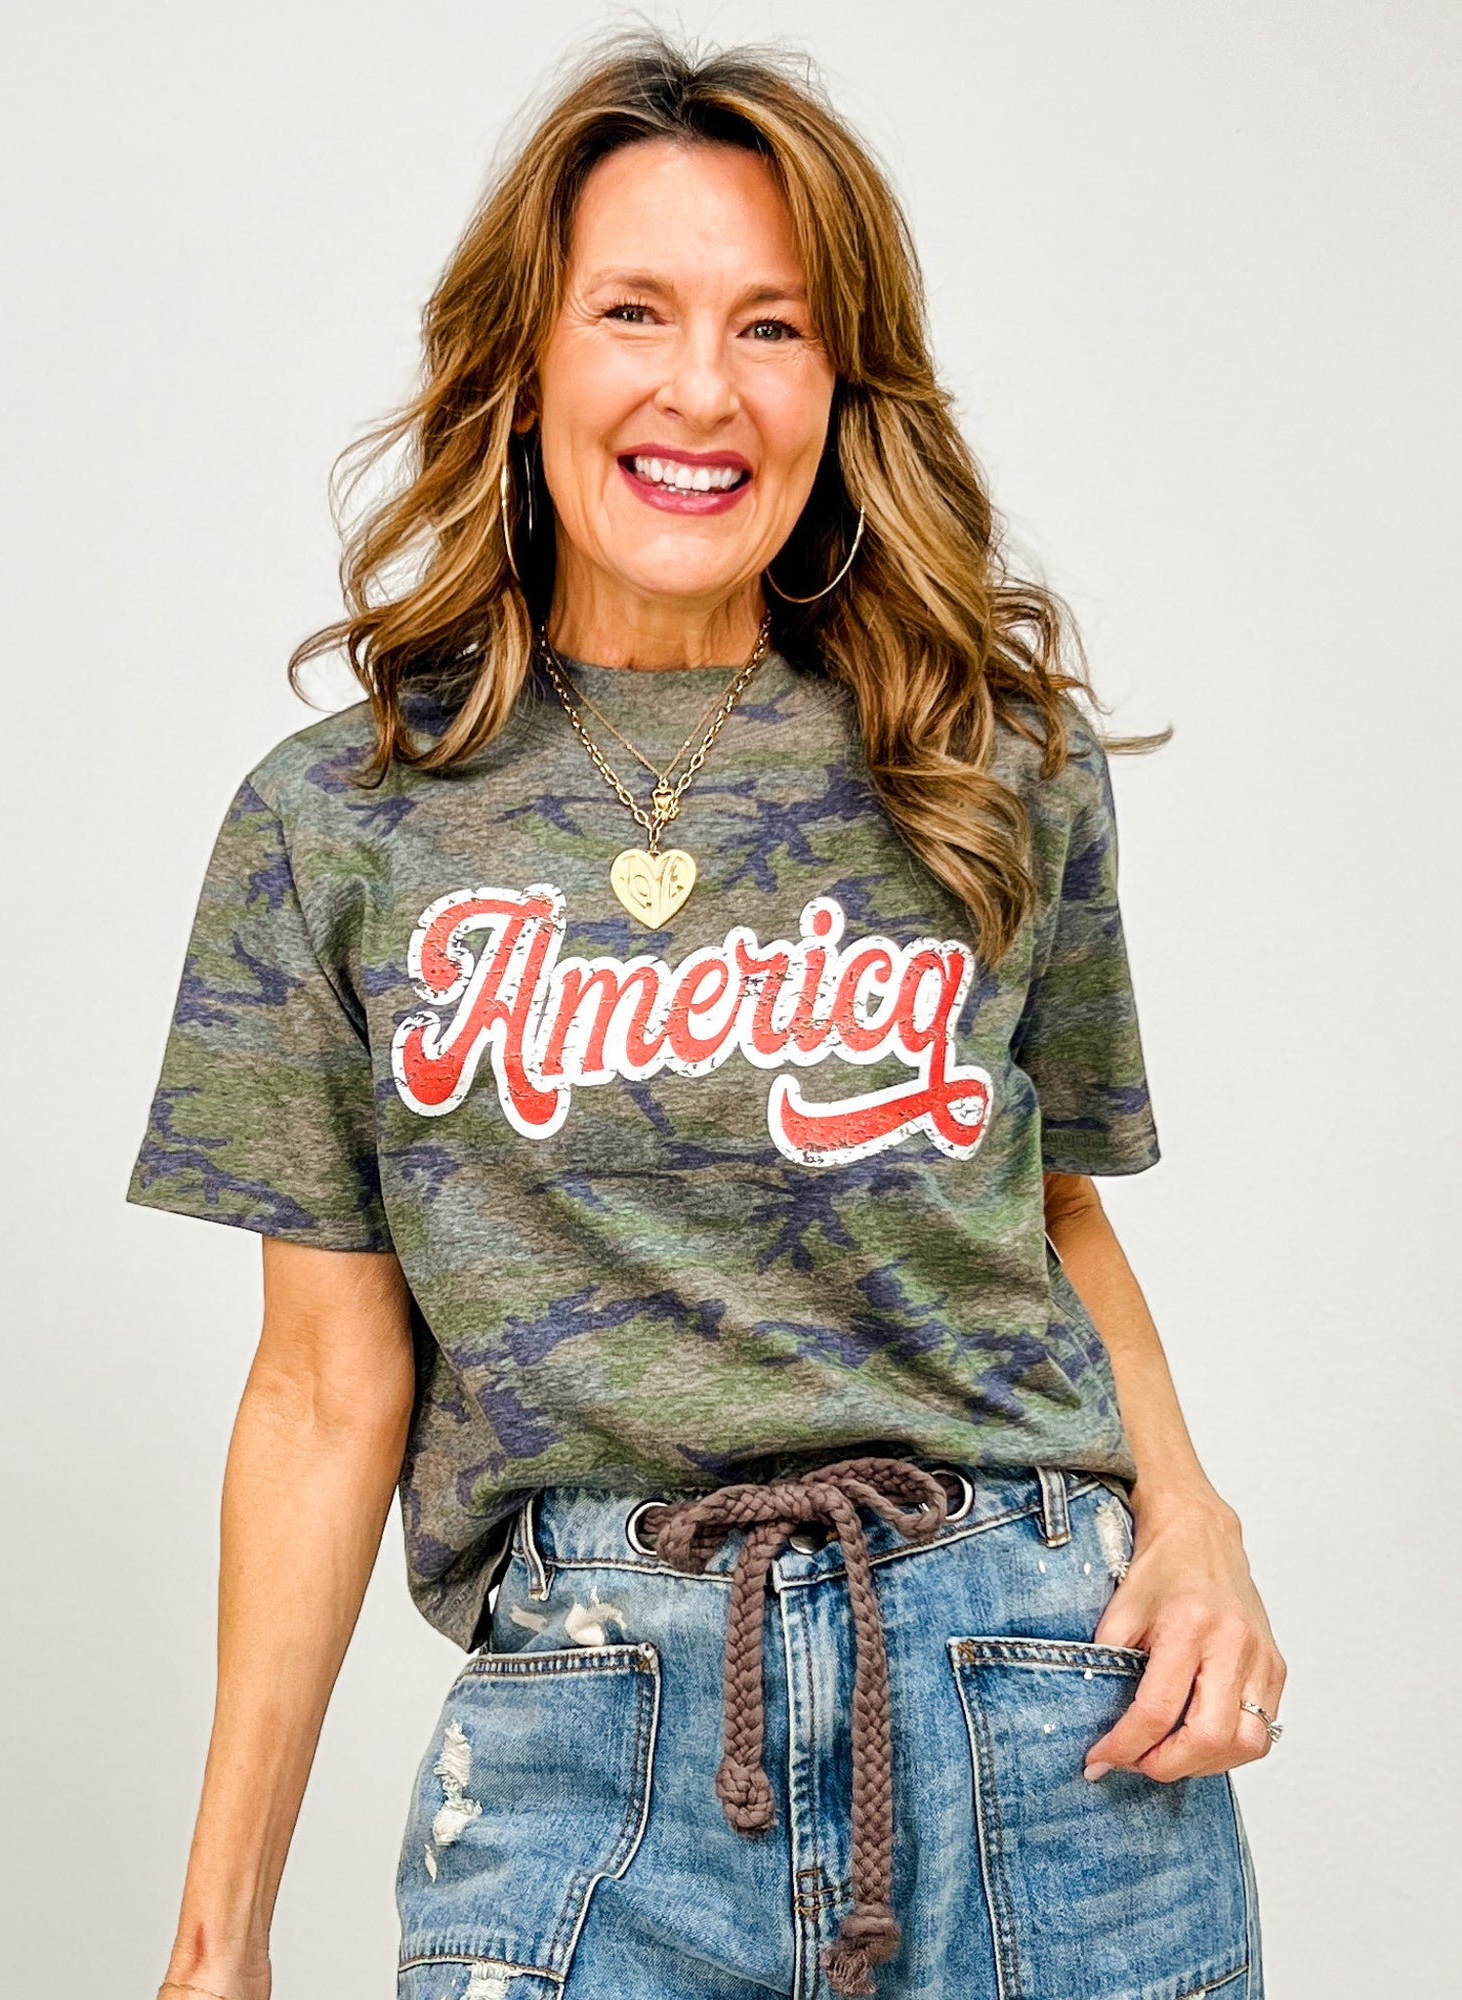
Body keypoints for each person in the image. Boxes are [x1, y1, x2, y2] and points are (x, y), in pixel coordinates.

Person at [126, 29, 1285, 2000]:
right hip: (594, 1738)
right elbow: (322, 1392)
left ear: (842, 386)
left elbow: (1053, 1210)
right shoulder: (337, 824)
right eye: (633, 312)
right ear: (524, 362)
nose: (701, 389)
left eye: (772, 327)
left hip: (1044, 1715)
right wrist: (216, 1939)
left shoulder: (989, 763)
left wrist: (1195, 1521)